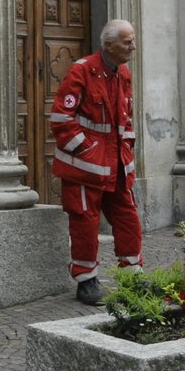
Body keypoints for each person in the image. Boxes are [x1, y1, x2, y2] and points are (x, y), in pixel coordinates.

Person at [51, 19, 143, 306]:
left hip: (116, 166)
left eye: (133, 40)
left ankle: (132, 274)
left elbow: (125, 118)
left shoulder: (123, 73)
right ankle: (86, 280)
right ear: (108, 45)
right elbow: (61, 118)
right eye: (127, 42)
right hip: (84, 170)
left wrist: (126, 152)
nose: (133, 47)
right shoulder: (81, 70)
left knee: (128, 217)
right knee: (85, 224)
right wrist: (88, 152)